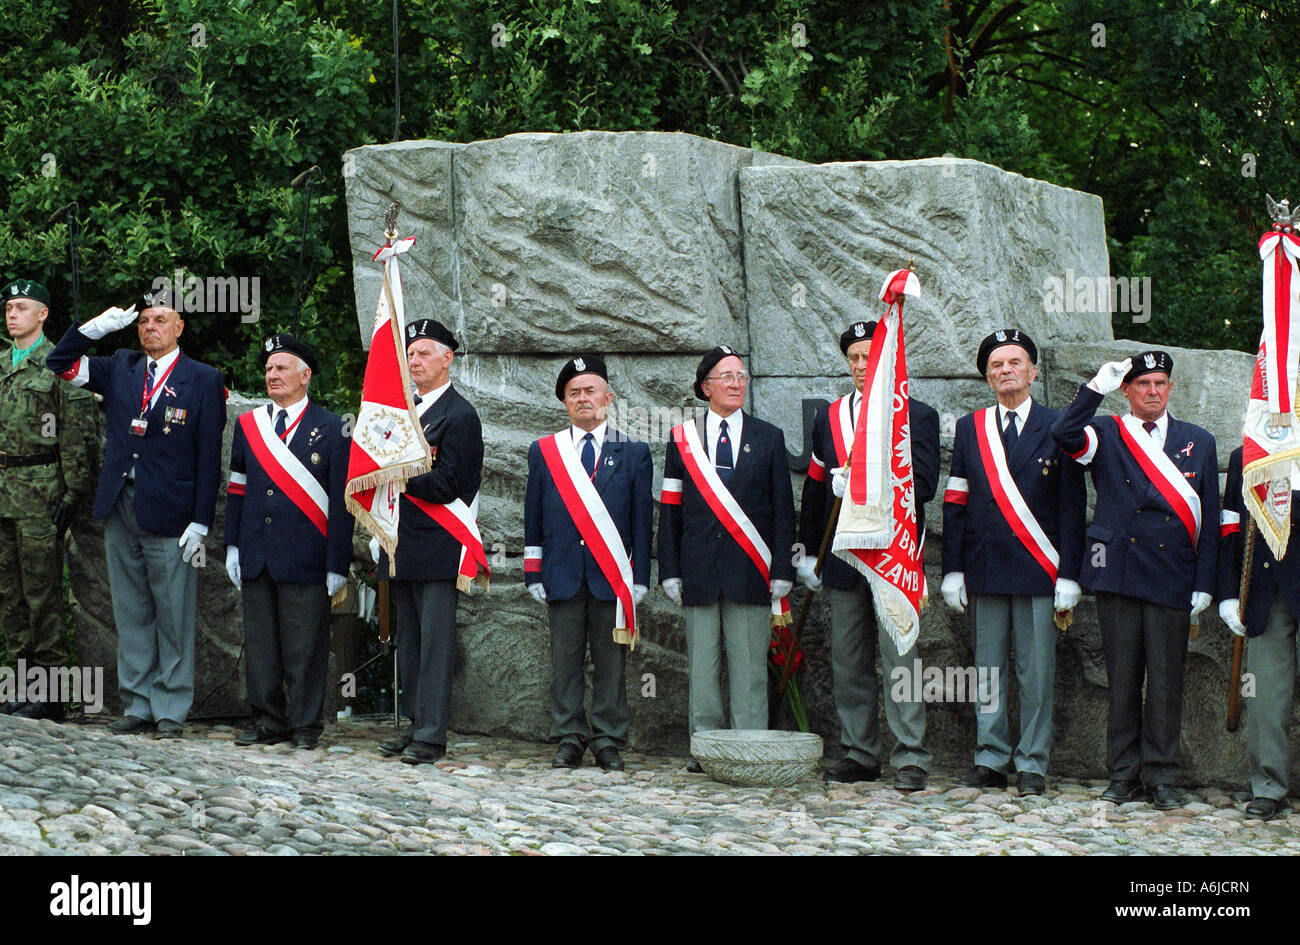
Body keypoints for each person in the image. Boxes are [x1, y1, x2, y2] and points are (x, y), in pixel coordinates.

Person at [46, 289, 226, 738]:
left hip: (171, 510)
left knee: (173, 613)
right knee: (131, 610)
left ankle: (170, 708)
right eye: (144, 320)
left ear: (180, 327)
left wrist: (200, 521)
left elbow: (209, 458)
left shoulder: (202, 378)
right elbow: (60, 364)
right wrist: (94, 329)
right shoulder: (121, 366)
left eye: (160, 320)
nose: (150, 327)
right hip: (120, 503)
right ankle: (138, 703)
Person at [1051, 352, 1219, 809]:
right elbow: (1063, 433)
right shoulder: (1106, 432)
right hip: (1118, 570)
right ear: (1126, 390)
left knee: (1166, 682)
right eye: (1142, 383)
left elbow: (1209, 514)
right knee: (1122, 680)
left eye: (1160, 382)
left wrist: (1205, 581)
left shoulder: (1198, 441)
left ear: (1170, 388)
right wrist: (1094, 389)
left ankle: (1162, 777)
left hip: (1172, 574)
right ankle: (1122, 775)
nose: (1152, 391)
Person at [940, 329, 1085, 795]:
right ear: (987, 377)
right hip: (984, 568)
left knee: (1036, 671)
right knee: (987, 669)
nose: (1006, 371)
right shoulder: (970, 427)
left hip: (1040, 570)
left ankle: (1033, 762)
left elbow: (1072, 508)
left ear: (1033, 372)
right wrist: (953, 569)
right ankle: (991, 756)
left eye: (1015, 362)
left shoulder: (1058, 425)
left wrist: (1069, 574)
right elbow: (956, 502)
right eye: (997, 365)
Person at [797, 320, 940, 791]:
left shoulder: (916, 416)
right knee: (848, 659)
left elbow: (924, 484)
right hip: (842, 555)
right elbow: (816, 490)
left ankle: (911, 754)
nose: (862, 366)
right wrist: (806, 553)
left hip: (893, 555)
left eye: (870, 357)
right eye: (855, 358)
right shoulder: (830, 416)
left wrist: (864, 479)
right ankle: (860, 750)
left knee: (901, 656)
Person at [658, 345, 795, 770]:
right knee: (702, 667)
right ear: (706, 387)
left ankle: (748, 746)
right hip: (698, 570)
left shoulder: (768, 437)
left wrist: (783, 570)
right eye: (727, 377)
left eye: (741, 376)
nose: (737, 384)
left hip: (750, 571)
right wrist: (670, 570)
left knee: (749, 667)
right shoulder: (682, 439)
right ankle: (706, 749)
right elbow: (670, 510)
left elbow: (783, 510)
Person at [524, 355, 653, 771]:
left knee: (610, 661)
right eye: (574, 393)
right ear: (564, 402)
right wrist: (532, 569)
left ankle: (608, 738)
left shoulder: (633, 452)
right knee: (564, 661)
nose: (583, 399)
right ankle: (568, 736)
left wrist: (641, 578)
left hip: (611, 577)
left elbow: (641, 522)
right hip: (561, 572)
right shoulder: (545, 452)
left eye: (590, 391)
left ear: (608, 398)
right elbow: (533, 516)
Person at [224, 333, 353, 750]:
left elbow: (342, 502)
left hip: (306, 555)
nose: (272, 375)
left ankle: (304, 725)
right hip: (257, 552)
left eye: (281, 367)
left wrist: (337, 563)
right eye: (268, 369)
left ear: (305, 375)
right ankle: (267, 720)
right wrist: (232, 545)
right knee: (261, 645)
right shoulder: (249, 426)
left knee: (304, 648)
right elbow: (238, 489)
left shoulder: (334, 428)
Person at [375, 318, 483, 765]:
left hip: (439, 543)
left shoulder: (459, 415)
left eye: (423, 353)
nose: (415, 361)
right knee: (410, 643)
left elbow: (451, 484)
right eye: (411, 354)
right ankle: (416, 724)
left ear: (447, 359)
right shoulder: (400, 411)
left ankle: (432, 735)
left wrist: (397, 475)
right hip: (402, 543)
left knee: (436, 645)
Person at [0, 279, 95, 720]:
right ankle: (19, 685)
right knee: (10, 594)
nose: (11, 314)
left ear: (42, 314)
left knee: (42, 595)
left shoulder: (58, 363)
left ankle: (52, 692)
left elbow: (76, 432)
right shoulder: (2, 363)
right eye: (8, 308)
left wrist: (73, 491)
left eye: (21, 307)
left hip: (40, 490)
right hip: (2, 491)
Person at [1217, 447, 1300, 820]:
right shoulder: (1247, 456)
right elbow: (1231, 528)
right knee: (1265, 696)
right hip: (1267, 591)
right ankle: (1268, 786)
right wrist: (1228, 594)